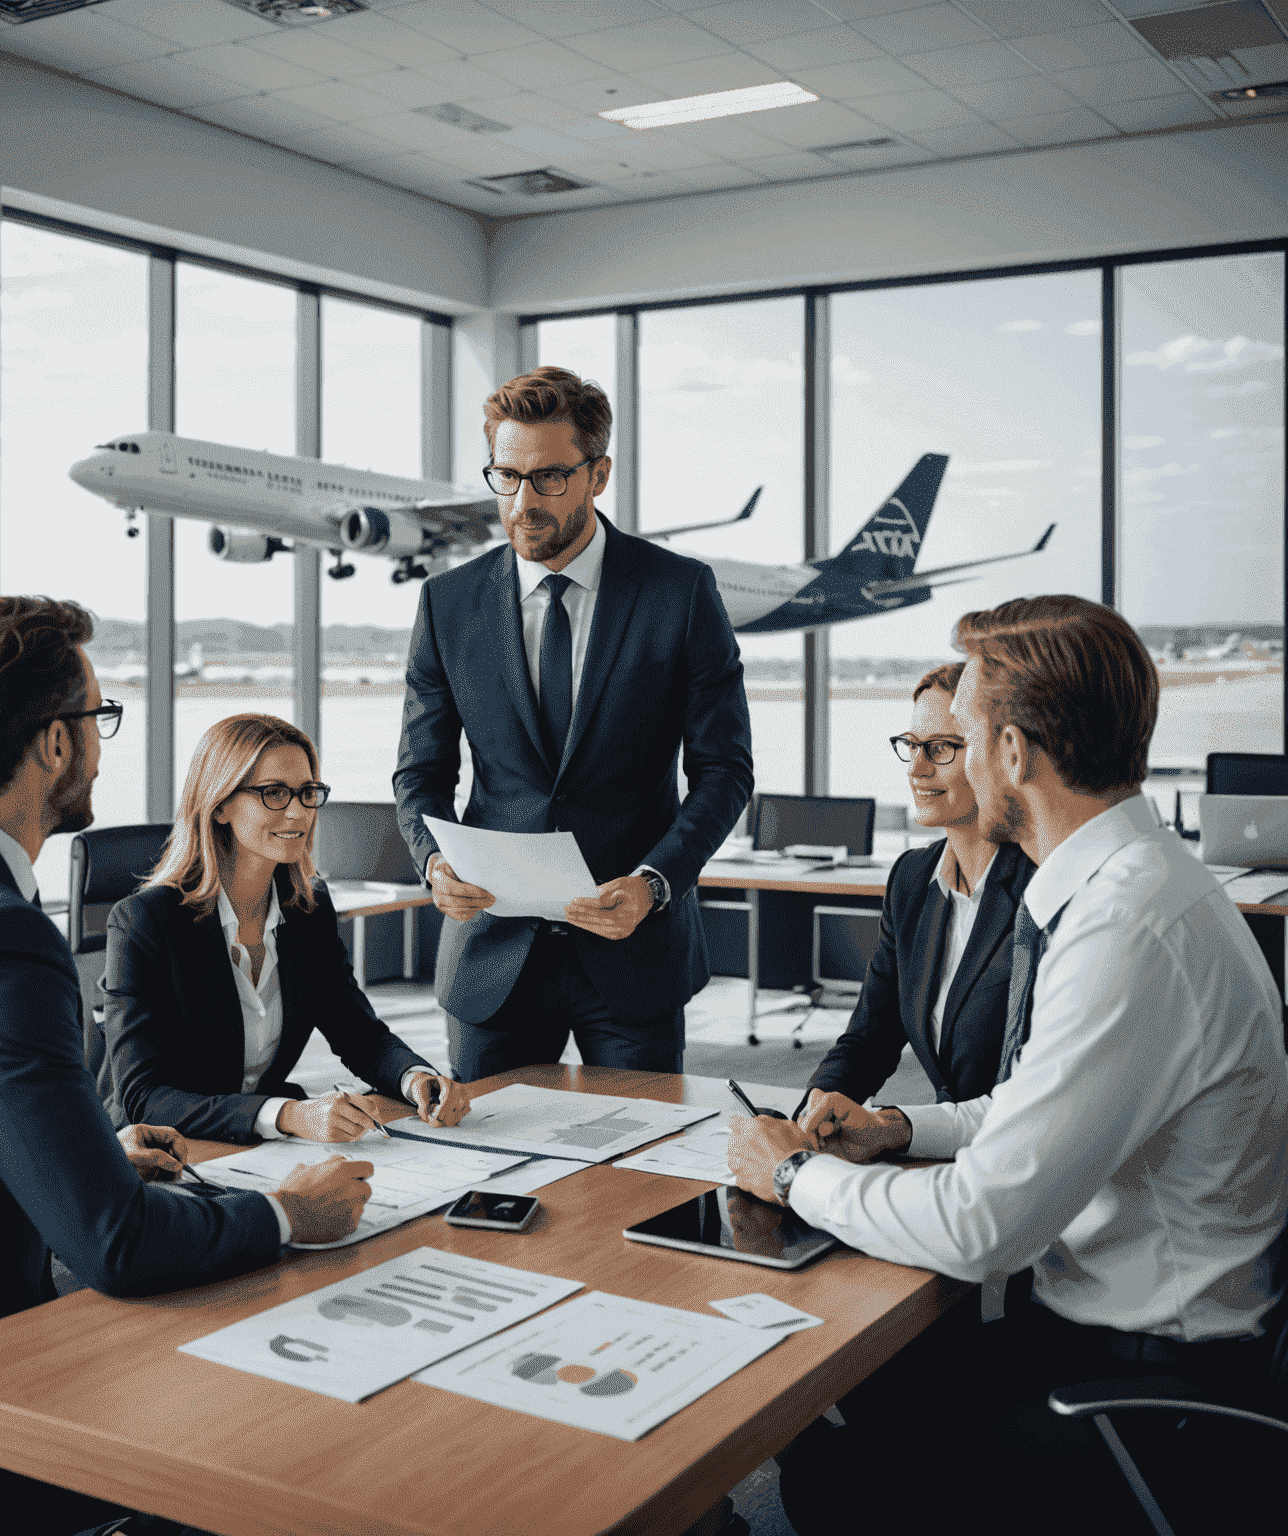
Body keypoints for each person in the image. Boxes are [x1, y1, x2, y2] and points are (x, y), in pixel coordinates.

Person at [727, 595, 1288, 1534]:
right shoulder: (1133, 885)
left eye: (968, 737)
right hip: (1110, 1326)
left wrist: (793, 1174)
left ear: (1016, 754)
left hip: (1155, 1380)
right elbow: (1038, 1103)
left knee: (834, 1470)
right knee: (857, 1381)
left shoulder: (1127, 927)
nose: (957, 759)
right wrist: (900, 1126)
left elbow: (983, 1226)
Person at [0, 598, 374, 1427]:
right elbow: (118, 1248)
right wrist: (288, 1211)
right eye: (100, 719)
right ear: (56, 743)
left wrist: (93, 1155)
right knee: (291, 1411)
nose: (100, 746)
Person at [394, 365, 754, 1081]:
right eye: (506, 476)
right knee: (488, 1180)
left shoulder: (679, 593)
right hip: (491, 953)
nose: (523, 502)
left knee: (649, 1176)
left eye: (550, 478)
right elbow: (421, 773)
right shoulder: (448, 604)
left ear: (598, 473)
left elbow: (723, 771)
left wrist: (654, 883)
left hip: (633, 953)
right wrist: (434, 865)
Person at [102, 713, 473, 1142]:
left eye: (307, 792)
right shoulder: (145, 922)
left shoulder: (307, 912)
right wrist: (287, 1116)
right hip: (160, 1156)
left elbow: (359, 1035)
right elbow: (144, 1097)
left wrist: (416, 1079)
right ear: (219, 804)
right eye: (274, 793)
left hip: (262, 1151)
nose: (298, 812)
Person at [798, 662, 1036, 1117]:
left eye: (942, 748)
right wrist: (816, 1107)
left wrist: (896, 1127)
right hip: (945, 1151)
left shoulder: (1040, 886)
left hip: (1014, 1152)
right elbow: (872, 1035)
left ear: (1000, 755)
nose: (917, 769)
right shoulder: (912, 878)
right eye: (912, 746)